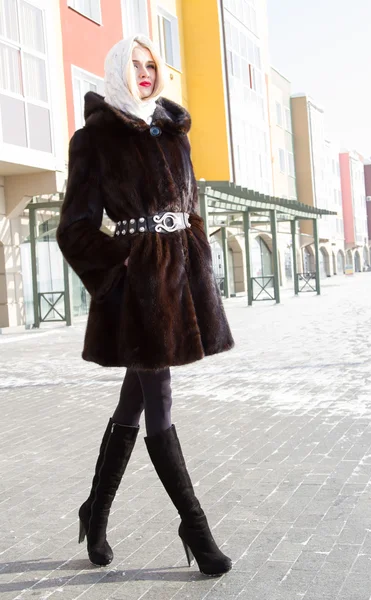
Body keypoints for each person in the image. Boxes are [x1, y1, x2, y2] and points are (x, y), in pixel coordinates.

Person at [56, 34, 234, 577]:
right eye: (134, 64)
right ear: (116, 71)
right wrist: (122, 265)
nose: (144, 72)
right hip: (139, 290)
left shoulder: (175, 129)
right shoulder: (96, 138)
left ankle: (95, 510)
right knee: (159, 402)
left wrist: (197, 254)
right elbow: (75, 227)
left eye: (151, 64)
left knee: (136, 399)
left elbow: (191, 205)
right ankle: (196, 529)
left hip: (181, 282)